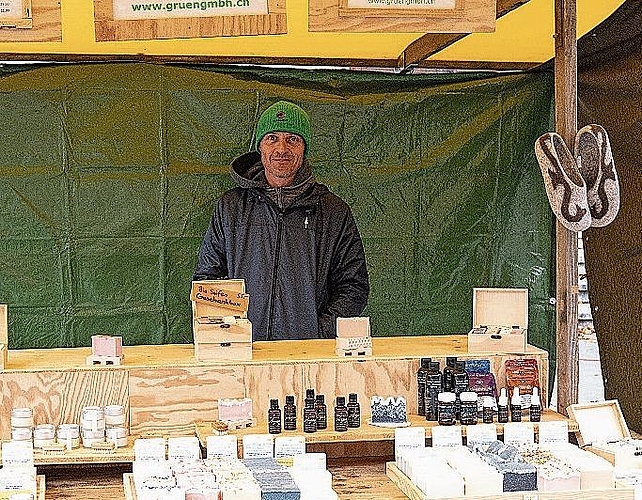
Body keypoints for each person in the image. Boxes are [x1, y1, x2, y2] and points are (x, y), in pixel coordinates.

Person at [193, 100, 369, 340]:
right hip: (244, 352)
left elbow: (353, 287)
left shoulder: (333, 212)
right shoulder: (231, 207)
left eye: (292, 139)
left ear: (304, 148)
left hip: (307, 356)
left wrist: (318, 331)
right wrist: (229, 334)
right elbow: (207, 279)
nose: (282, 148)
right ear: (261, 147)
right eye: (272, 138)